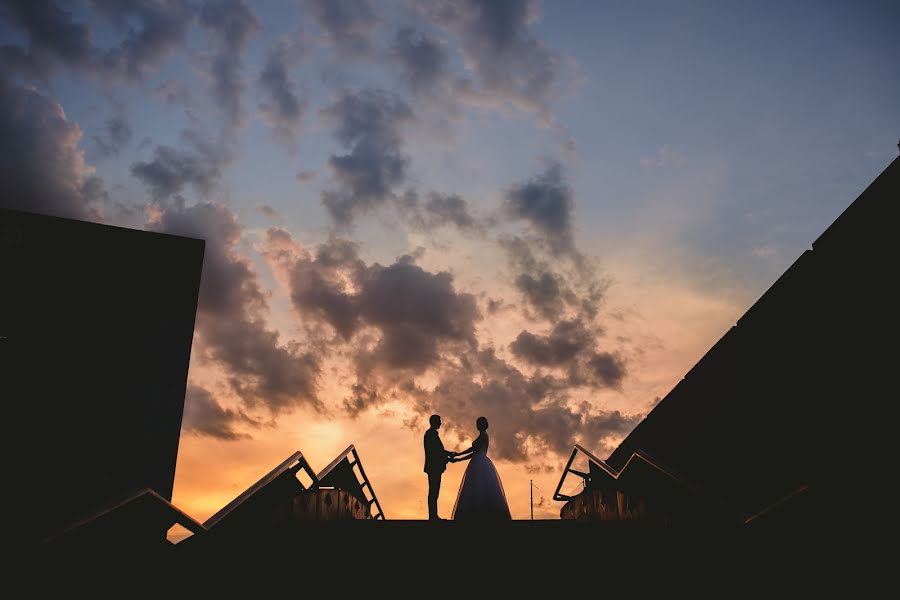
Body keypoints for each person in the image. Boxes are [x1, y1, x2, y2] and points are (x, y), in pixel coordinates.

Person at [450, 416, 511, 520]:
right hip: (478, 462)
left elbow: (474, 452)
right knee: (475, 486)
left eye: (479, 423)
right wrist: (458, 455)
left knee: (479, 486)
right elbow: (472, 450)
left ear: (483, 424)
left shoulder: (484, 436)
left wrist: (459, 458)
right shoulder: (482, 435)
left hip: (479, 462)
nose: (477, 425)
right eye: (477, 423)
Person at [423, 414, 456, 520]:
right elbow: (436, 452)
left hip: (434, 467)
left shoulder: (431, 434)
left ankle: (433, 515)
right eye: (439, 421)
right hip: (434, 467)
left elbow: (439, 451)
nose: (441, 423)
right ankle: (432, 516)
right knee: (433, 491)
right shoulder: (431, 434)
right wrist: (448, 456)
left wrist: (448, 454)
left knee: (434, 491)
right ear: (435, 422)